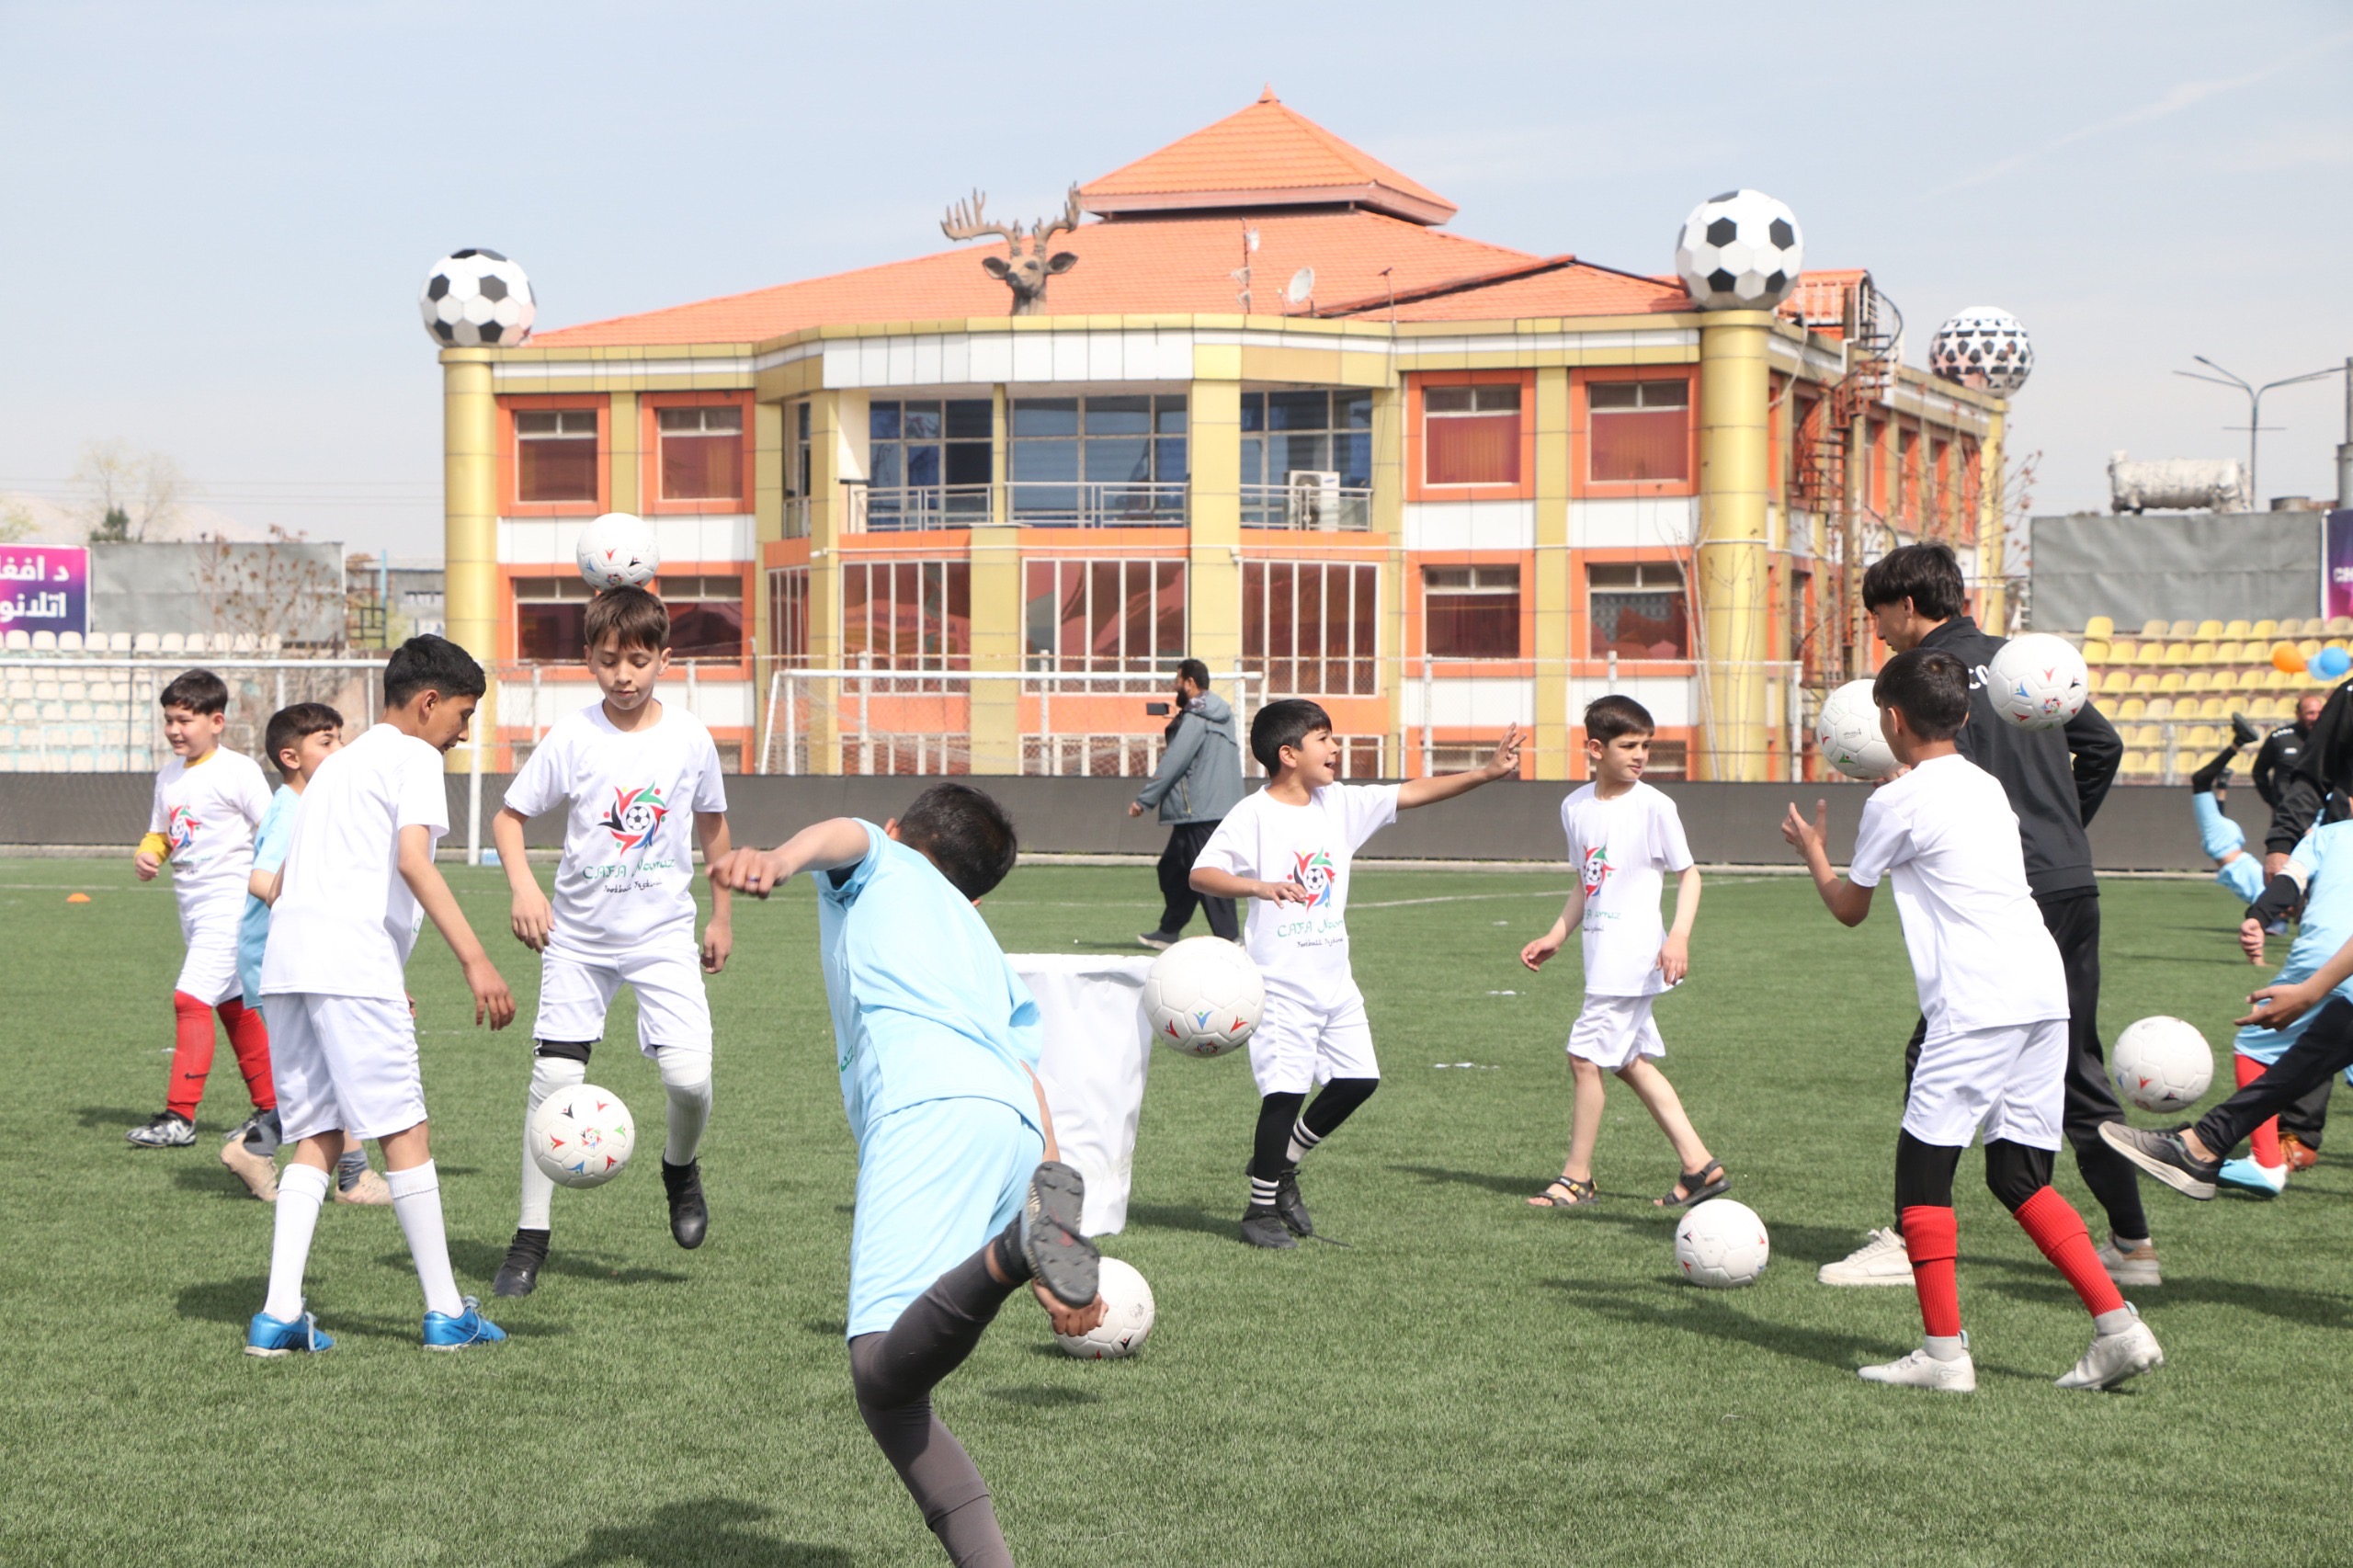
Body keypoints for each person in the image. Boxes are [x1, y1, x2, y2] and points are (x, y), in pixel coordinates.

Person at [709, 783, 1104, 1568]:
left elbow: (841, 834)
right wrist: (1053, 1221)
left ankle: (1008, 1255)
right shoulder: (980, 945)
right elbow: (1032, 1081)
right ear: (977, 893)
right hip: (1013, 1129)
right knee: (894, 1404)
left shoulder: (882, 855)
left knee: (878, 1369)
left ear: (899, 831)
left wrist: (779, 859)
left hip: (928, 1106)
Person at [1782, 648, 2164, 1392]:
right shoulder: (1986, 784)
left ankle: (1944, 1356)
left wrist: (1814, 854)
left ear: (1890, 720)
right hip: (2041, 996)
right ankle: (2119, 1327)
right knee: (2019, 1174)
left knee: (1922, 1177)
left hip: (1976, 1002)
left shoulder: (1894, 802)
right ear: (1963, 716)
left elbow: (1849, 909)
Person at [1820, 543, 2154, 1291]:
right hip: (2070, 884)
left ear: (1908, 607)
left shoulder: (1924, 683)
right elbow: (2102, 743)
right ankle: (2133, 1243)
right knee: (2075, 1064)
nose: (1877, 632)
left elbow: (1932, 783)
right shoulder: (2018, 662)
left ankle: (1913, 1235)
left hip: (1998, 895)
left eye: (1877, 615)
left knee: (1937, 1047)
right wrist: (2067, 828)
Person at [244, 635, 517, 1357]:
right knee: (404, 1132)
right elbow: (410, 863)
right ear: (429, 703)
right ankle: (446, 1312)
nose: (463, 733)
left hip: (290, 967)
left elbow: (326, 870)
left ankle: (277, 1316)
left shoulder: (338, 765)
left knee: (320, 1134)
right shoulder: (415, 756)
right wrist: (476, 959)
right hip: (348, 965)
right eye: (462, 714)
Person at [1190, 699, 1523, 1249]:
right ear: (1288, 753)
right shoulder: (1254, 814)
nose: (1337, 748)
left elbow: (1412, 791)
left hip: (1334, 980)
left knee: (1359, 1080)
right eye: (1324, 739)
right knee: (1285, 1093)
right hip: (1280, 985)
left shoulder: (1339, 804)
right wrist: (1259, 886)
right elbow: (1202, 872)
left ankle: (1282, 1165)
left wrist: (1487, 773)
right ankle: (1259, 1211)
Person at [487, 586, 733, 1299]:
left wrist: (721, 917)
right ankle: (531, 1237)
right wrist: (524, 890)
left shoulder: (689, 738)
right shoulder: (573, 736)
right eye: (606, 662)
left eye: (636, 661)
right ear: (588, 662)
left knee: (689, 1079)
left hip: (662, 938)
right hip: (578, 943)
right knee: (556, 1083)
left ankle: (679, 1168)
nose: (622, 676)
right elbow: (509, 820)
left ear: (664, 658)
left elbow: (714, 827)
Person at [1518, 696, 1726, 1210]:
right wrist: (1556, 935)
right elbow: (1585, 883)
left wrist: (1677, 936)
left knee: (1583, 1057)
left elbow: (1690, 874)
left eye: (1646, 746)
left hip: (1634, 957)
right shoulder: (1575, 807)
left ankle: (1576, 1178)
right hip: (1600, 956)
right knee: (1628, 1062)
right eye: (1629, 745)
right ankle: (1701, 1166)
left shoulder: (1655, 805)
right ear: (1594, 748)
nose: (1640, 755)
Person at [2103, 816, 2353, 1199]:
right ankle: (2204, 1143)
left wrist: (2306, 985)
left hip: (2322, 962)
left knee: (2258, 1044)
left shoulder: (2325, 836)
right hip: (2340, 966)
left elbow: (2288, 882)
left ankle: (2256, 1160)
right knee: (2338, 1028)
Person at [222, 701, 392, 1207]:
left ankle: (345, 1174)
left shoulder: (314, 801)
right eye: (327, 741)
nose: (339, 749)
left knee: (334, 1064)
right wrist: (299, 898)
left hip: (300, 958)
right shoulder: (290, 809)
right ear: (291, 757)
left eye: (340, 738)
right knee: (334, 1065)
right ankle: (271, 1150)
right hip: (284, 961)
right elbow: (258, 877)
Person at [127, 669, 278, 1155]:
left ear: (217, 721)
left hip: (231, 904)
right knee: (234, 1007)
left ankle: (179, 1117)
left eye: (184, 720)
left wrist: (272, 887)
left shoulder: (238, 770)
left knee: (190, 998)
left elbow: (272, 826)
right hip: (191, 907)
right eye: (168, 719)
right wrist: (149, 853)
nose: (174, 729)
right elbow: (163, 831)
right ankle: (273, 1106)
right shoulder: (169, 775)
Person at [1128, 657, 1243, 949]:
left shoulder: (1196, 718)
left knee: (1208, 873)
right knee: (1174, 869)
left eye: (1177, 680)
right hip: (1210, 808)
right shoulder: (1220, 714)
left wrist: (1145, 800)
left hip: (1199, 810)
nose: (1175, 686)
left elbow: (1175, 761)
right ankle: (1169, 931)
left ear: (1190, 683)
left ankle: (1230, 938)